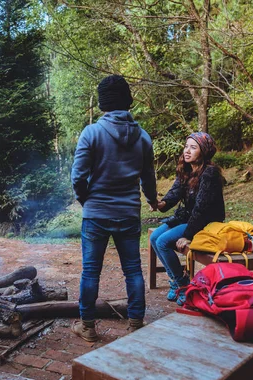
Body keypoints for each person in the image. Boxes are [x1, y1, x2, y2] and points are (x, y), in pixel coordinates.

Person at [70, 75, 158, 342]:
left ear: (103, 103)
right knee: (133, 270)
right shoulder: (143, 137)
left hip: (96, 213)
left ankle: (88, 327)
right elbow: (149, 178)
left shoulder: (91, 133)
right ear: (127, 101)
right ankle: (135, 323)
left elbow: (78, 177)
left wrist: (86, 200)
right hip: (129, 213)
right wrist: (152, 200)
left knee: (90, 271)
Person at [150, 132, 225, 306]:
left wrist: (188, 235)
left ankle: (183, 284)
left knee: (162, 242)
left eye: (193, 147)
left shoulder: (210, 173)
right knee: (155, 238)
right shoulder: (186, 170)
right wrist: (161, 204)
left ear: (204, 151)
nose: (187, 151)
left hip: (206, 222)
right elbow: (175, 193)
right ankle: (176, 280)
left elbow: (202, 209)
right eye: (186, 146)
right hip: (189, 217)